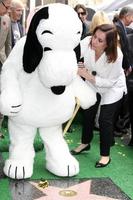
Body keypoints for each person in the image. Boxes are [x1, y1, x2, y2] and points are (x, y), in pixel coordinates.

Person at [71, 24, 127, 168]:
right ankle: (85, 143)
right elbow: (74, 54)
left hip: (112, 88)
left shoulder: (117, 56)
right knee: (88, 113)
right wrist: (78, 66)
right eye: (95, 36)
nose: (94, 41)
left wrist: (87, 76)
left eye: (100, 40)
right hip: (92, 83)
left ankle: (105, 156)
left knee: (104, 120)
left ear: (109, 44)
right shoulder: (88, 42)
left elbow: (109, 82)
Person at [113, 7, 133, 136]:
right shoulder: (117, 27)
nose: (132, 21)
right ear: (126, 16)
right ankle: (115, 127)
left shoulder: (118, 26)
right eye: (131, 17)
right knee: (118, 100)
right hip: (118, 69)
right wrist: (127, 65)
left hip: (120, 68)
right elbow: (122, 50)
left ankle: (117, 127)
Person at [0, 0, 12, 135]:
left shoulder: (7, 19)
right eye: (7, 7)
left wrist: (9, 64)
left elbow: (8, 44)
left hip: (2, 62)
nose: (9, 10)